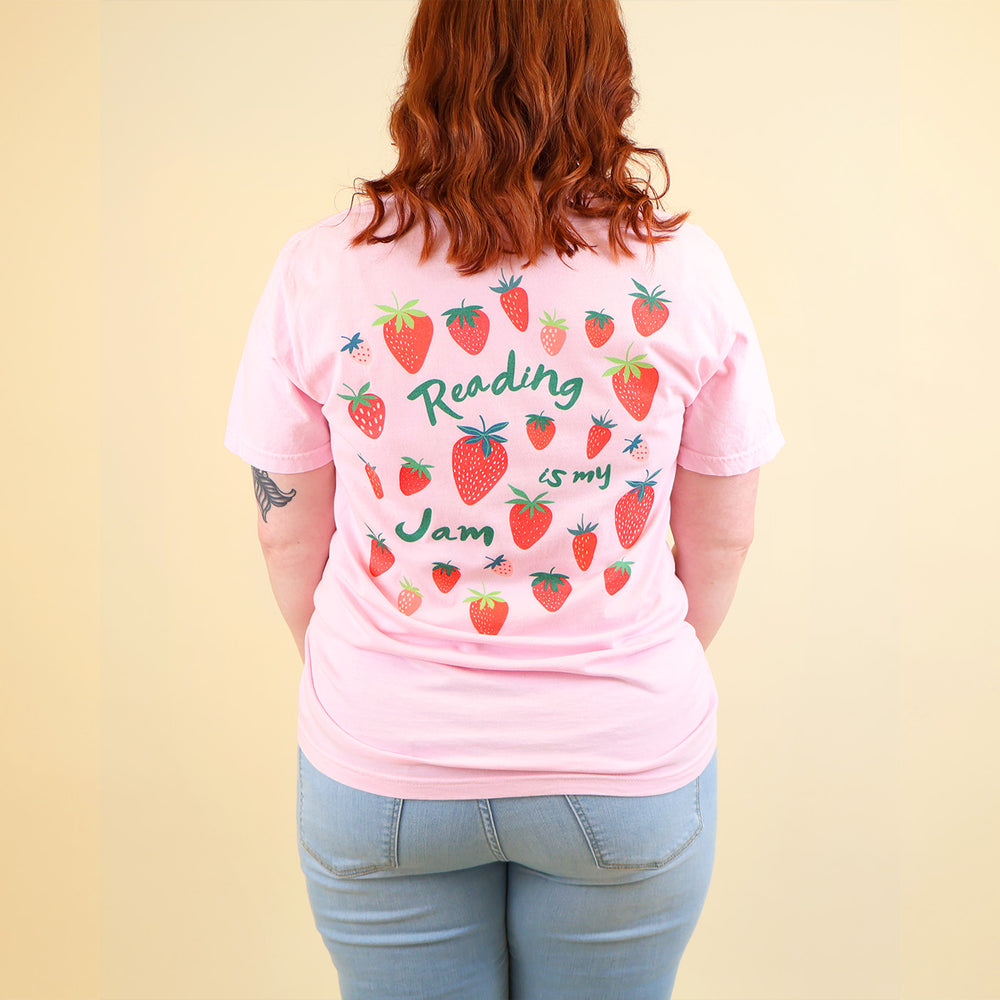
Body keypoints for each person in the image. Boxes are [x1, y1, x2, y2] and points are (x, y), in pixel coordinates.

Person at [224, 1, 785, 996]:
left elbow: (286, 536)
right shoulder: (683, 274)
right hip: (624, 761)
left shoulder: (319, 270)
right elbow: (722, 542)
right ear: (603, 75)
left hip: (383, 756)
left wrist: (370, 676)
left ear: (427, 71)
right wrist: (617, 675)